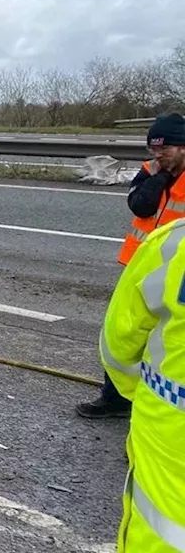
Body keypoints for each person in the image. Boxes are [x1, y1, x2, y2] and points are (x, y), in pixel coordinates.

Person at [78, 113, 185, 419]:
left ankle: (160, 406)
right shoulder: (151, 170)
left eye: (164, 149)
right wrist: (162, 177)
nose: (157, 155)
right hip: (139, 265)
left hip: (177, 274)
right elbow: (139, 204)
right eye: (154, 149)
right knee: (125, 331)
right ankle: (116, 398)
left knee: (168, 340)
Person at [100, 216, 185, 550]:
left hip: (167, 425)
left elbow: (119, 342)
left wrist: (145, 395)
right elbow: (142, 202)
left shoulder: (172, 244)